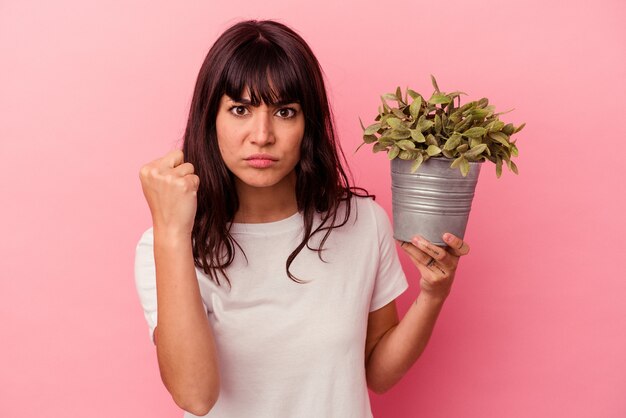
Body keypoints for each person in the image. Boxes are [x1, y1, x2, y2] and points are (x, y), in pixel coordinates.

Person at [134, 19, 470, 418]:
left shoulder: (363, 223)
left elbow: (377, 373)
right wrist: (172, 234)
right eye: (240, 109)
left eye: (285, 111)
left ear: (308, 124)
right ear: (211, 120)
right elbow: (195, 395)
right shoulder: (165, 246)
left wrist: (433, 294)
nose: (262, 135)